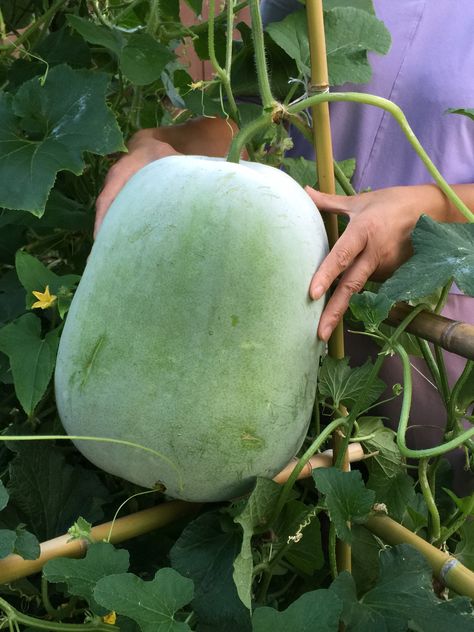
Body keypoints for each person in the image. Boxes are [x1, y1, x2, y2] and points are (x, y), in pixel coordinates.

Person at [95, 0, 474, 491]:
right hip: (264, 324)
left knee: (435, 504)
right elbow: (248, 117)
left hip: (439, 334)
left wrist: (432, 213)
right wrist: (167, 149)